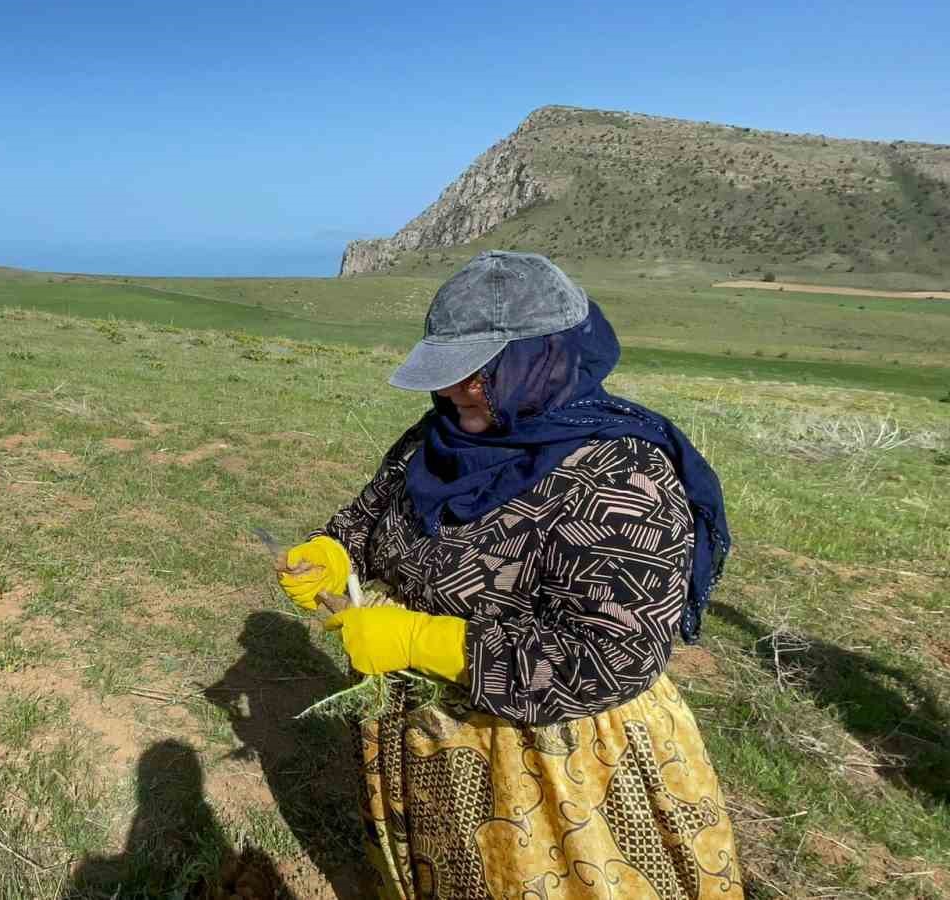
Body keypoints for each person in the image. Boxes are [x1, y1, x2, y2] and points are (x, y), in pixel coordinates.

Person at [276, 251, 741, 899]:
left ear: (546, 360)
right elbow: (368, 519)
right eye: (450, 370)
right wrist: (334, 552)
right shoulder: (441, 436)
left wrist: (422, 642)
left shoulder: (621, 480)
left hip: (555, 762)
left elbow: (608, 657)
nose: (455, 390)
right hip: (430, 745)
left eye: (482, 372)